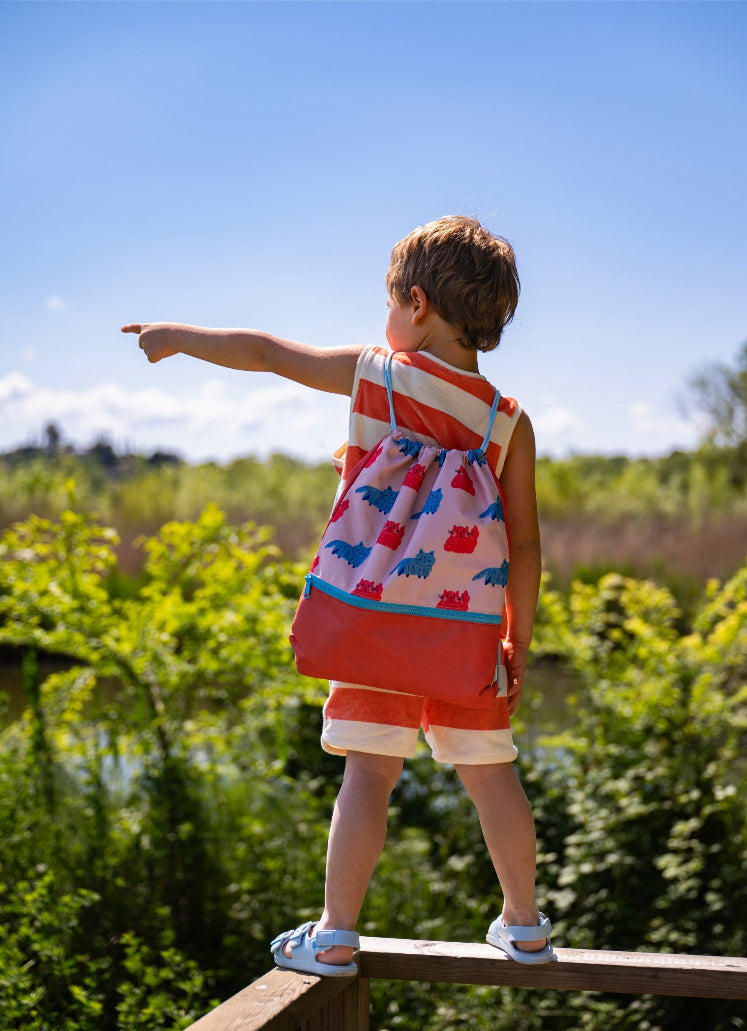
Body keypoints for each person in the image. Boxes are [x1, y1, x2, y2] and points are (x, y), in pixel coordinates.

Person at [122, 214, 553, 976]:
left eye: (389, 302)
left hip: (372, 625)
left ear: (416, 304)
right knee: (491, 774)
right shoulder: (507, 422)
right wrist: (516, 638)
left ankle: (336, 934)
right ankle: (523, 925)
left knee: (368, 774)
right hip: (463, 635)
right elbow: (523, 545)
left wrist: (177, 336)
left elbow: (265, 353)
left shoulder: (377, 375)